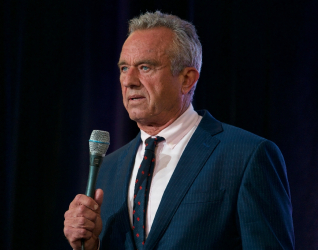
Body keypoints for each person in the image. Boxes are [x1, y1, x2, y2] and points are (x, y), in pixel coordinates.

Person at [64, 11, 295, 250]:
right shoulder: (109, 168)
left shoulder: (247, 156)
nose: (129, 81)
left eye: (145, 67)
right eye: (124, 68)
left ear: (187, 79)